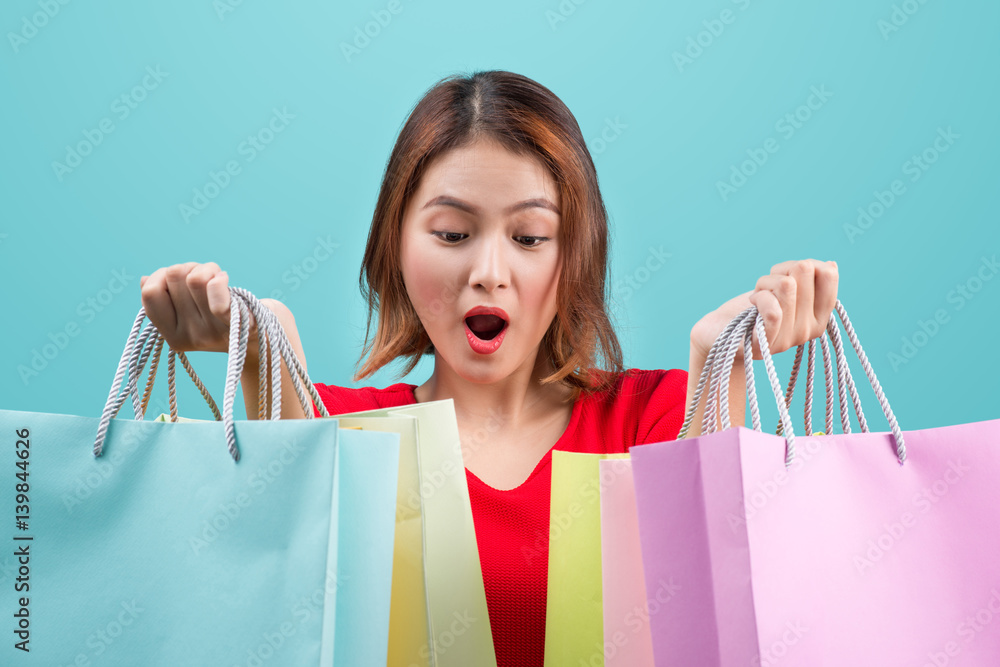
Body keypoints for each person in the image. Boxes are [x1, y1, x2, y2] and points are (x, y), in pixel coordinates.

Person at [138, 70, 838, 666]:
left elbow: (705, 630)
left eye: (530, 236)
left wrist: (725, 372)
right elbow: (290, 622)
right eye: (452, 234)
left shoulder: (656, 417)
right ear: (396, 245)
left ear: (576, 256)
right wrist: (266, 365)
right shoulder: (333, 425)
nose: (489, 272)